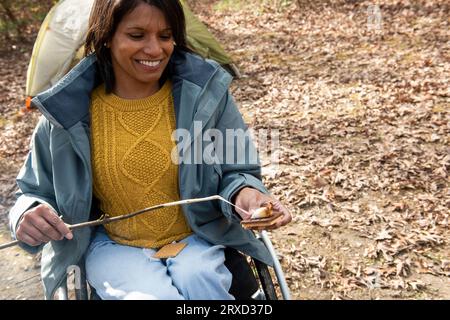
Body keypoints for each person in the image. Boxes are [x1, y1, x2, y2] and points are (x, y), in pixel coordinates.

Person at [9, 0, 291, 300]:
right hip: (115, 248)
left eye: (165, 36)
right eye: (137, 35)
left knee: (202, 280)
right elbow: (32, 191)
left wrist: (246, 194)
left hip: (198, 237)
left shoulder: (205, 97)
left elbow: (237, 171)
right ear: (106, 36)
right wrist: (27, 214)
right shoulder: (67, 115)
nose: (155, 50)